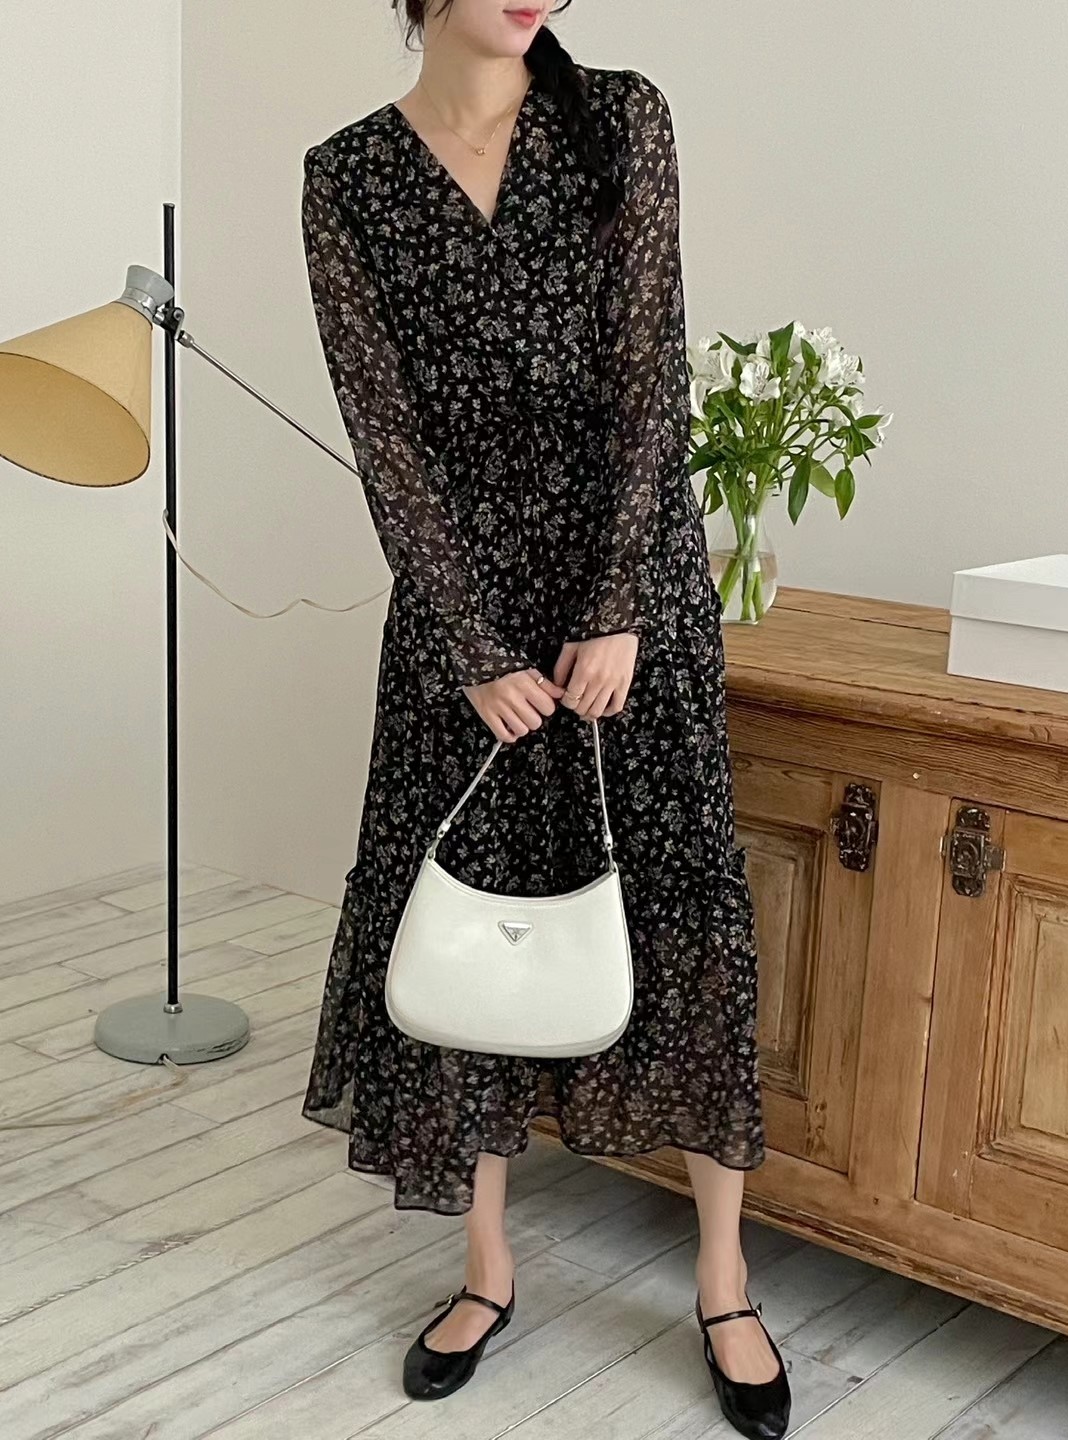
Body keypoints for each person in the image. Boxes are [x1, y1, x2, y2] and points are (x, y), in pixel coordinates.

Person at [299, 2, 790, 1434]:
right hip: (465, 623)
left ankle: (723, 1282)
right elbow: (383, 432)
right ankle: (487, 1266)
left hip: (629, 601)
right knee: (469, 930)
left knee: (682, 920)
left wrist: (622, 604)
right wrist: (469, 647)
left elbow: (652, 373)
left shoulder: (621, 117)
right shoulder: (348, 176)